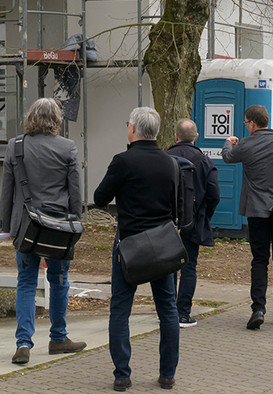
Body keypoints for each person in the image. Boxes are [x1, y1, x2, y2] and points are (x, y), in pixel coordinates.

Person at [93, 106, 181, 391]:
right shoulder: (171, 162)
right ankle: (167, 374)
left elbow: (99, 197)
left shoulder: (123, 162)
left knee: (120, 309)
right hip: (163, 246)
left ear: (133, 130)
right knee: (167, 309)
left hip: (129, 245)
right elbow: (176, 208)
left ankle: (122, 375)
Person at [0, 97, 86, 365]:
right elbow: (75, 193)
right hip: (59, 227)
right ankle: (58, 337)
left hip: (25, 227)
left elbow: (7, 191)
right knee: (59, 282)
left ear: (31, 118)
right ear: (57, 120)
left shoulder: (16, 146)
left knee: (25, 283)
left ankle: (23, 343)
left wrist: (6, 227)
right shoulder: (68, 148)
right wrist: (75, 223)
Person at [222, 104, 273, 330]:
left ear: (251, 123)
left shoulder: (246, 145)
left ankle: (258, 308)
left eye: (246, 123)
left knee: (259, 260)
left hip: (257, 212)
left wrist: (228, 142)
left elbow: (228, 157)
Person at [165, 118, 220, 328]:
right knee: (189, 267)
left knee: (168, 266)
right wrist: (204, 214)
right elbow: (214, 193)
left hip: (167, 222)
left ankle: (167, 310)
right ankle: (183, 313)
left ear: (176, 136)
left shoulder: (164, 157)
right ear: (196, 137)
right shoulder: (204, 160)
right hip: (193, 220)